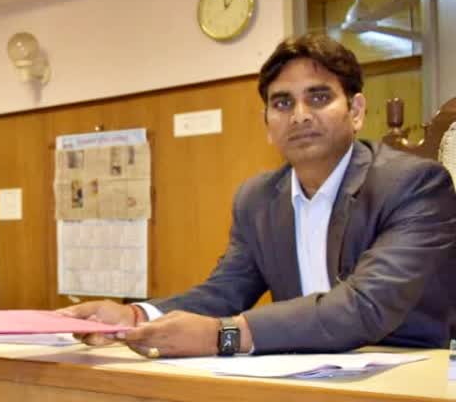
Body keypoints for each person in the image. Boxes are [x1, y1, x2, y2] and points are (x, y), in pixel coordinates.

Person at [61, 34, 456, 357]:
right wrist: (132, 317)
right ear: (267, 125)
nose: (300, 115)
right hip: (300, 373)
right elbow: (226, 291)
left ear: (355, 111)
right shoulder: (258, 199)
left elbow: (365, 305)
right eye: (282, 103)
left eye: (318, 98)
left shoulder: (416, 184)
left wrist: (224, 336)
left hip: (403, 374)